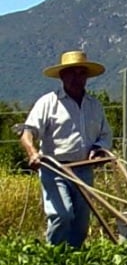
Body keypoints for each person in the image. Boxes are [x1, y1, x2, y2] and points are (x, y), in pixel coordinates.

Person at [18, 50, 113, 247]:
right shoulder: (48, 103)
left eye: (81, 73)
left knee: (80, 222)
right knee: (62, 215)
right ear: (62, 76)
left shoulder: (94, 105)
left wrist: (99, 149)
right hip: (55, 169)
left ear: (87, 77)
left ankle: (74, 262)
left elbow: (105, 136)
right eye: (71, 73)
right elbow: (28, 132)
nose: (76, 78)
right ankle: (53, 258)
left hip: (84, 169)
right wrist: (33, 153)